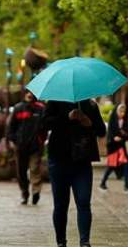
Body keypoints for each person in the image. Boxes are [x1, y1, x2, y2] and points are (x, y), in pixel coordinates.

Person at [43, 99, 106, 247]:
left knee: (84, 202)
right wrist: (67, 117)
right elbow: (43, 124)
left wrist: (88, 122)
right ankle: (61, 242)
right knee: (60, 205)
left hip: (82, 161)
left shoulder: (90, 105)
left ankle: (85, 242)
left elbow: (101, 130)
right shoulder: (54, 102)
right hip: (59, 160)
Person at [8, 91, 46, 205]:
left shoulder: (41, 109)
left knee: (35, 169)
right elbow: (11, 127)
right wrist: (13, 140)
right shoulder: (18, 108)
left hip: (35, 146)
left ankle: (36, 192)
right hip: (20, 147)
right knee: (21, 172)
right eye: (28, 93)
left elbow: (45, 126)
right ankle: (24, 193)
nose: (30, 95)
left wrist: (41, 139)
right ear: (25, 94)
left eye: (32, 93)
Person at [100, 103, 128, 192]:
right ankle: (102, 183)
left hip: (122, 147)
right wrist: (114, 137)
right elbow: (110, 133)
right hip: (113, 147)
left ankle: (126, 185)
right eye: (120, 111)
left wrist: (124, 134)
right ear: (116, 111)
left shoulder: (124, 122)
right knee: (111, 166)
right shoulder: (112, 120)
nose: (122, 113)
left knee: (126, 165)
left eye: (123, 111)